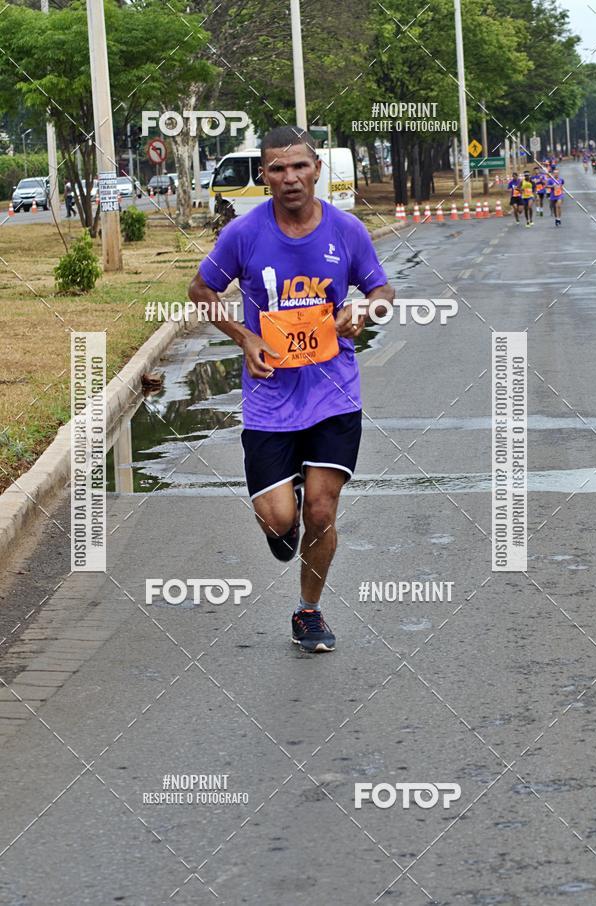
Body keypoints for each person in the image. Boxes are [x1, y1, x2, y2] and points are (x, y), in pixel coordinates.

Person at [188, 126, 394, 652]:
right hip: (269, 400)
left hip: (333, 393)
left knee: (321, 512)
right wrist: (244, 336)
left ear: (317, 168)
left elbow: (382, 289)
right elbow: (201, 288)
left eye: (299, 166)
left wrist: (363, 309)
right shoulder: (244, 233)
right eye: (277, 169)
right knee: (281, 520)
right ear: (264, 175)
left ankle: (308, 611)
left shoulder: (346, 230)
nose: (290, 178)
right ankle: (284, 518)